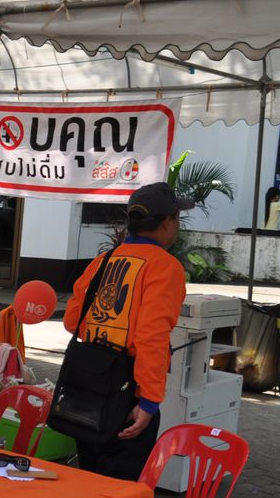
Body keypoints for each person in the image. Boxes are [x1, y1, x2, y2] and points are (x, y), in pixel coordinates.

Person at [63, 181, 191, 481]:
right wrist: (148, 402)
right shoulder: (165, 267)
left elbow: (73, 321)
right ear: (168, 222)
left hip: (89, 386)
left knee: (89, 482)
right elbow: (152, 336)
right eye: (177, 219)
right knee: (118, 492)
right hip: (128, 390)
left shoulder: (103, 261)